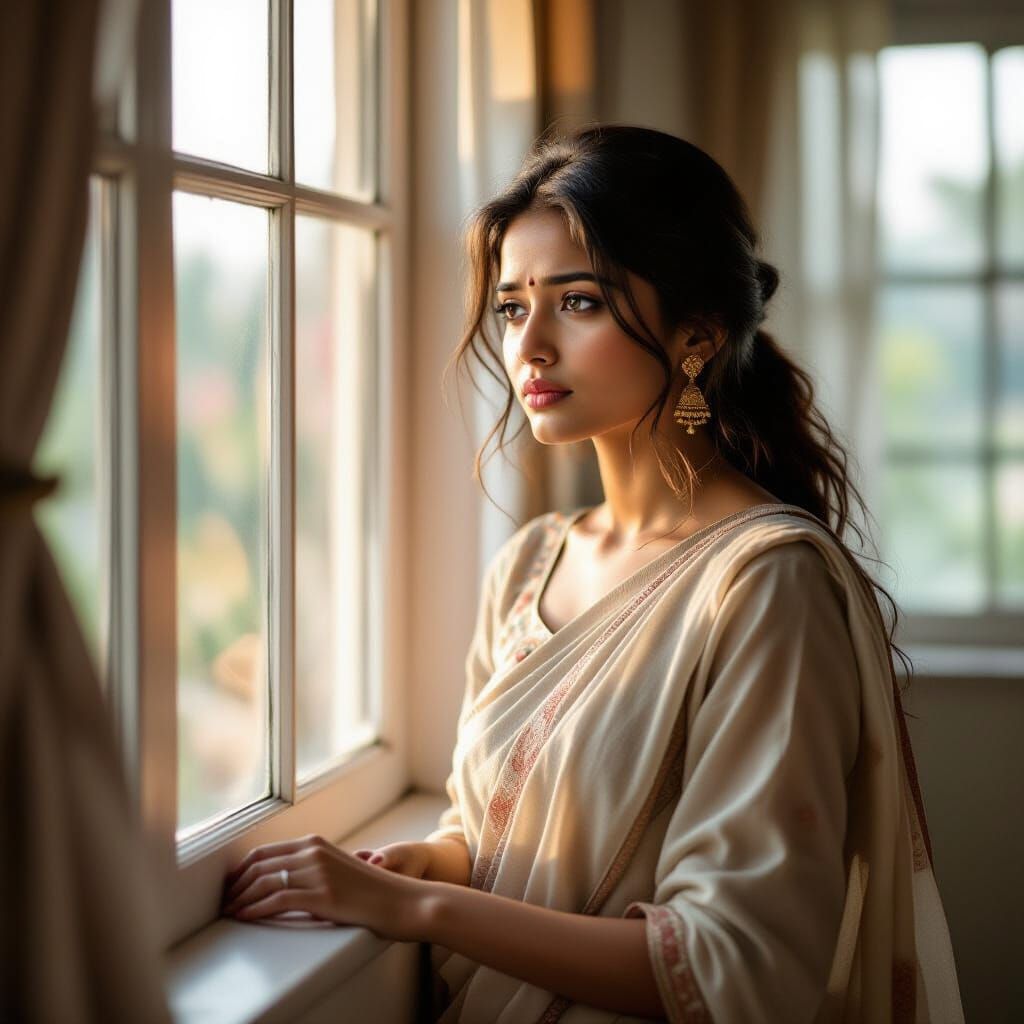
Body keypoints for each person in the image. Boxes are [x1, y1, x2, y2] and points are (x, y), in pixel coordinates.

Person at [220, 124, 965, 1023]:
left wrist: (412, 907)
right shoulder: (532, 563)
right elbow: (494, 834)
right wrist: (429, 861)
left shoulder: (766, 586)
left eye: (576, 302)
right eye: (510, 306)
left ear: (698, 331)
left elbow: (734, 967)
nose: (528, 346)